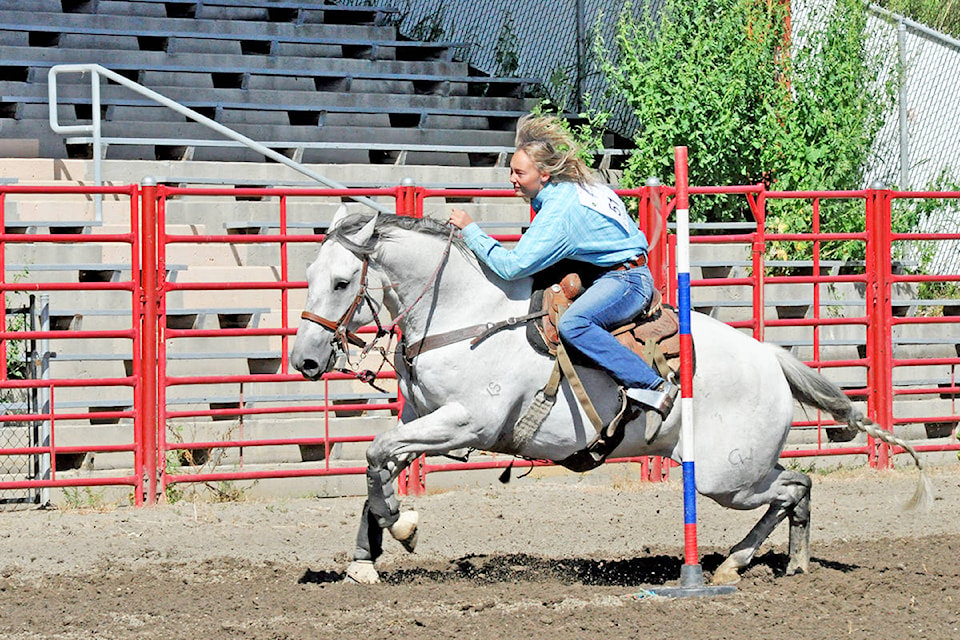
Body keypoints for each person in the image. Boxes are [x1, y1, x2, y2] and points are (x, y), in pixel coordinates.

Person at [448, 113, 678, 418]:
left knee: (574, 324)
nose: (512, 179)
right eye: (511, 171)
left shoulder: (560, 212)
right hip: (618, 270)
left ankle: (651, 386)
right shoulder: (575, 188)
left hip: (626, 281)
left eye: (519, 173)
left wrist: (470, 230)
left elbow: (512, 267)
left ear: (544, 175)